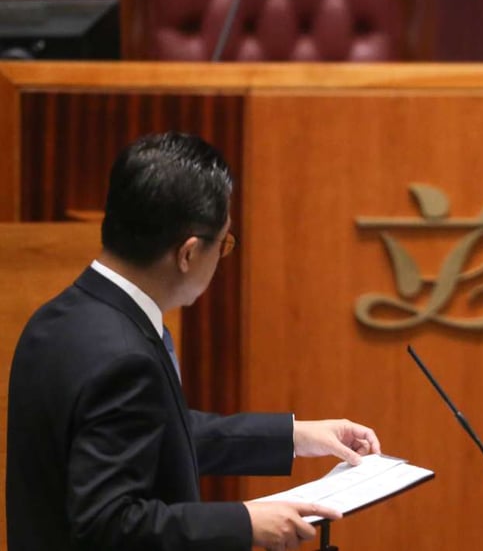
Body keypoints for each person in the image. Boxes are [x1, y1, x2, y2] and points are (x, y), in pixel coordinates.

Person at [6, 132, 382, 551]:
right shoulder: (124, 358)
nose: (222, 258)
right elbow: (108, 525)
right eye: (224, 244)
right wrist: (243, 522)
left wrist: (293, 436)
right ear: (187, 254)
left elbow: (151, 435)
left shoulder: (58, 318)